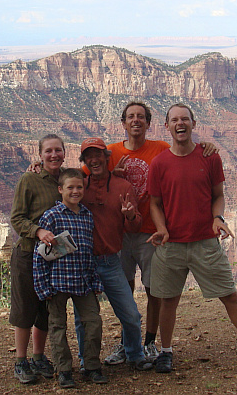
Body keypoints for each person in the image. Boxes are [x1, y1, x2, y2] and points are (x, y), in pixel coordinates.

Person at [147, 103, 237, 373]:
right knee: (168, 299)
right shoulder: (160, 163)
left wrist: (217, 218)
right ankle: (165, 352)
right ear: (167, 126)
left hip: (204, 242)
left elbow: (218, 194)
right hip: (171, 243)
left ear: (193, 124)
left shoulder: (209, 157)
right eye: (174, 120)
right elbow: (154, 203)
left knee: (229, 295)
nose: (180, 124)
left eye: (185, 119)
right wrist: (161, 228)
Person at [101, 102, 218, 364]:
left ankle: (150, 342)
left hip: (151, 233)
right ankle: (126, 342)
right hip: (118, 234)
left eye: (141, 117)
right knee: (124, 290)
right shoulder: (110, 153)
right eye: (131, 117)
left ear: (149, 123)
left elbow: (187, 151)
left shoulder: (160, 149)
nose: (136, 121)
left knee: (155, 290)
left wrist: (208, 147)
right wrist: (39, 166)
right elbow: (80, 176)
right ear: (123, 123)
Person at [74, 138, 154, 371]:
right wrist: (36, 166)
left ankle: (134, 355)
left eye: (99, 155)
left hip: (110, 262)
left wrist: (129, 215)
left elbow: (135, 226)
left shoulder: (123, 187)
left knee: (131, 315)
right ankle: (86, 361)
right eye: (89, 156)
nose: (94, 160)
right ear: (85, 161)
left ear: (106, 158)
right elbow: (57, 179)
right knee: (84, 319)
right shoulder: (79, 185)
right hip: (84, 264)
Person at [33, 168, 106, 388]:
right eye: (70, 187)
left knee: (93, 323)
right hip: (57, 283)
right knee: (57, 327)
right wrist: (43, 288)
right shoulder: (51, 216)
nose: (75, 191)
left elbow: (88, 251)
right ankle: (63, 369)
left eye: (79, 187)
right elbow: (40, 256)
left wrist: (95, 281)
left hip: (83, 282)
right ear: (60, 190)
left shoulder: (86, 215)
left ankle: (91, 366)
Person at [8, 134, 63, 384]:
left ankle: (38, 357)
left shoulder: (67, 178)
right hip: (28, 254)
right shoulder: (29, 179)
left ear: (64, 153)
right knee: (25, 308)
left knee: (45, 308)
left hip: (52, 258)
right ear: (40, 155)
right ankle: (21, 360)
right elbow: (17, 218)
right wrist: (38, 231)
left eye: (58, 151)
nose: (54, 155)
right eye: (49, 151)